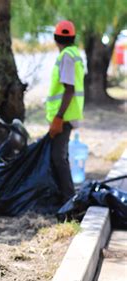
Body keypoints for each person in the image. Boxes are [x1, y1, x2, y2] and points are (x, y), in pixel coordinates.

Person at [46, 20, 85, 203]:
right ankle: (65, 197)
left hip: (65, 116)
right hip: (67, 114)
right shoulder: (74, 53)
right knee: (61, 156)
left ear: (55, 38)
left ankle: (69, 199)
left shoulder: (67, 56)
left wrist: (59, 118)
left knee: (57, 157)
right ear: (73, 37)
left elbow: (68, 89)